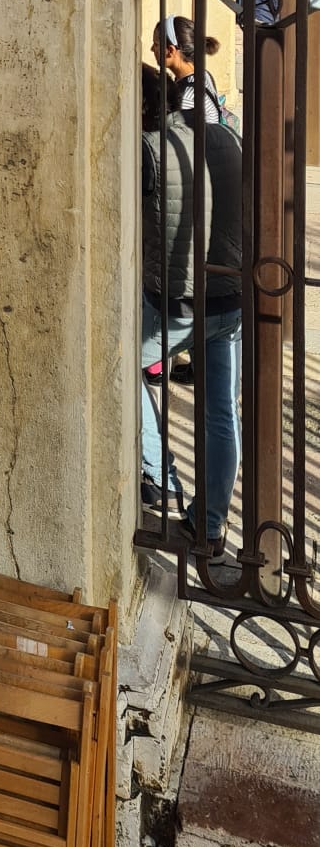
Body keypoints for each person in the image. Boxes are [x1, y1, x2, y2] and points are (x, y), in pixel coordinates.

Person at [140, 65, 242, 557]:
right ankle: (210, 526)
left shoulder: (157, 147)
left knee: (122, 368)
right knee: (221, 411)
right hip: (236, 293)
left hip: (181, 302)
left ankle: (157, 473)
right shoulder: (235, 139)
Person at [153, 15, 224, 125]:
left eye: (156, 44)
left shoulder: (186, 98)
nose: (152, 49)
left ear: (170, 50)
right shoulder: (203, 74)